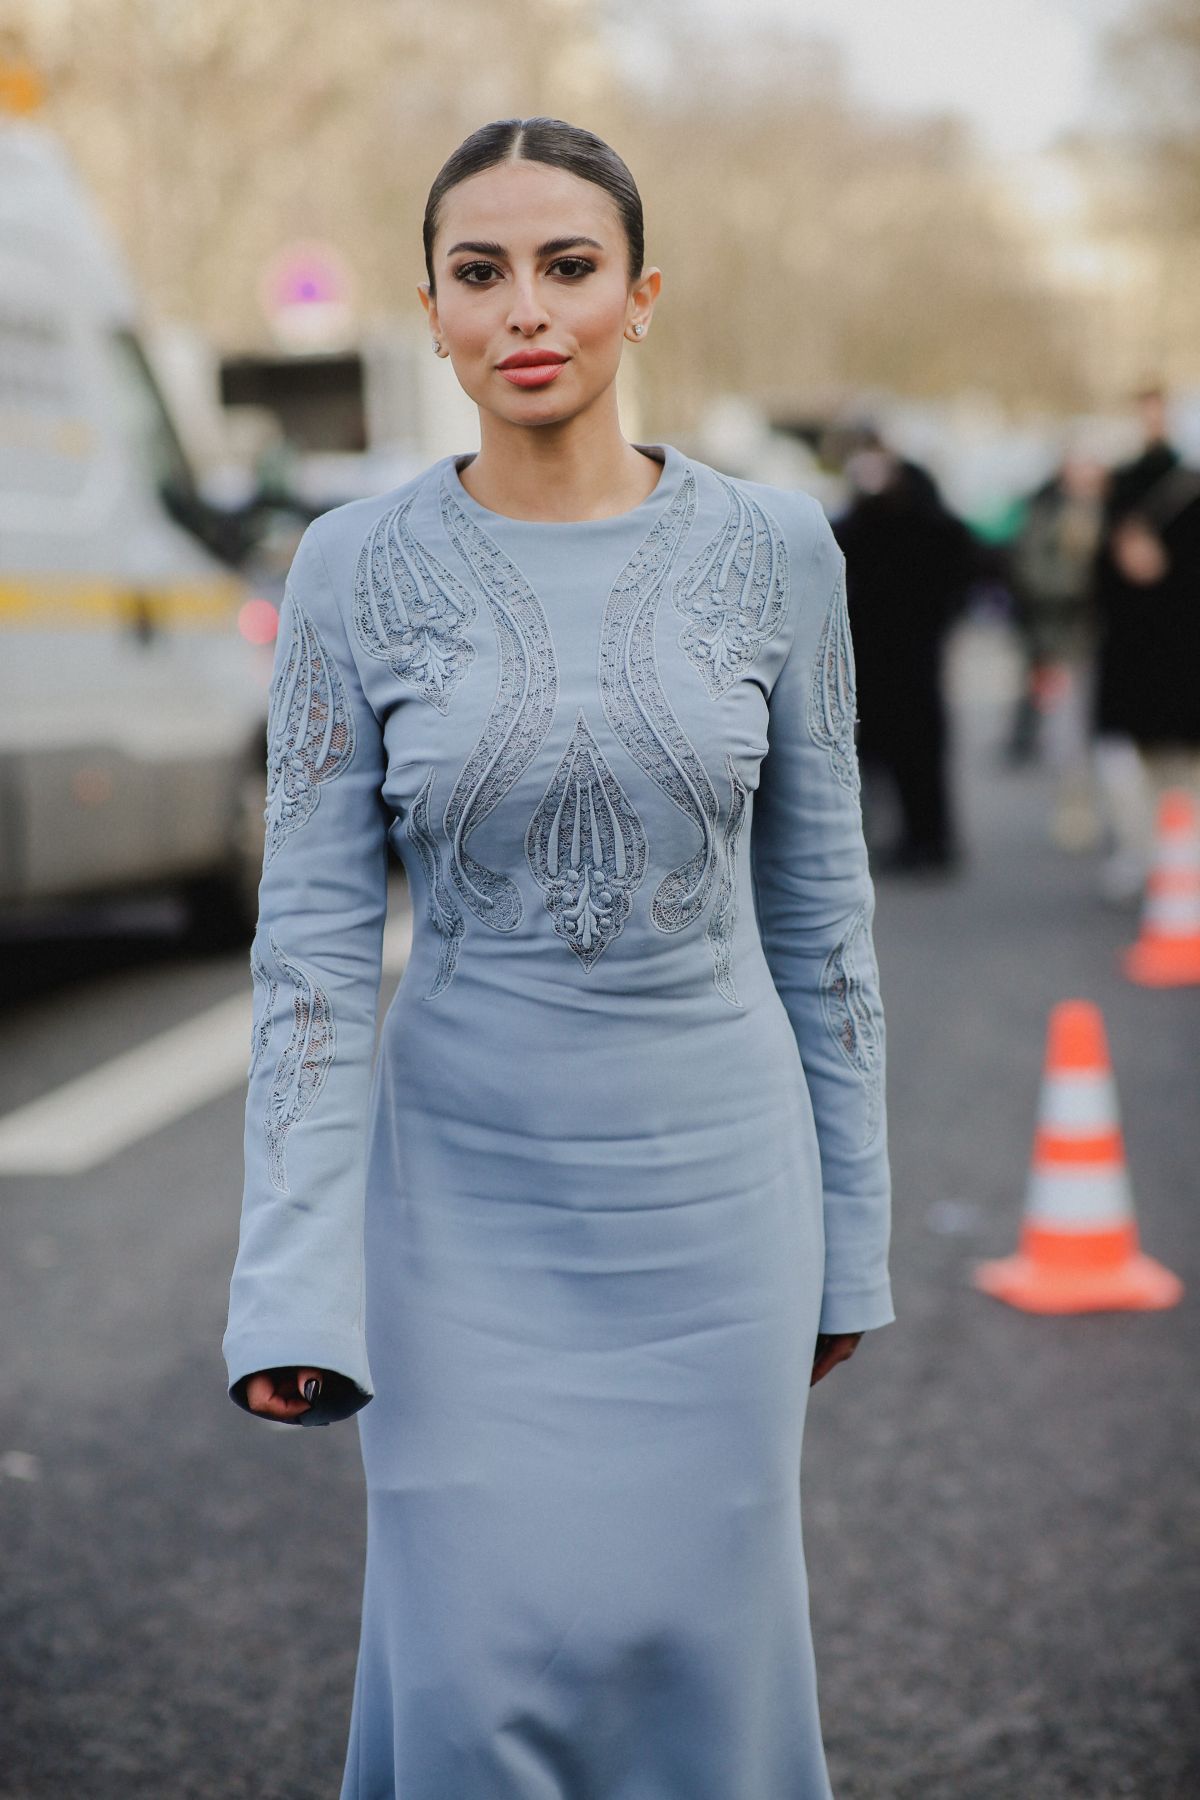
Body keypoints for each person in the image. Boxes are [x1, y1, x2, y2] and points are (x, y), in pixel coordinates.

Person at [222, 116, 893, 1800]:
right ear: (432, 312)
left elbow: (825, 917)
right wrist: (290, 1281)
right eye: (481, 272)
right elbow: (305, 954)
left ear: (640, 297)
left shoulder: (779, 554)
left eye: (568, 267)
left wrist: (853, 1237)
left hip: (717, 1207)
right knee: (475, 1681)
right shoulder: (350, 569)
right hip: (457, 1212)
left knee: (696, 1680)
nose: (527, 308)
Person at [833, 430, 976, 873]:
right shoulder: (912, 521)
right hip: (901, 661)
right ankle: (924, 837)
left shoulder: (888, 519)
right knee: (909, 757)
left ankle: (923, 838)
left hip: (896, 660)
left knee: (902, 756)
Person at [1091, 383, 1200, 899]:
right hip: (1136, 647)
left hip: (1179, 646)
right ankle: (1146, 853)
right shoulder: (1124, 484)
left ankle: (1176, 857)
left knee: (1180, 766)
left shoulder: (1186, 485)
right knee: (1132, 762)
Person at [1007, 449, 1105, 850]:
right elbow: (1031, 571)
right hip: (1060, 641)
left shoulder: (1112, 513)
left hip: (1100, 639)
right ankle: (1076, 810)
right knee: (1067, 731)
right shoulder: (1045, 515)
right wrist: (1079, 582)